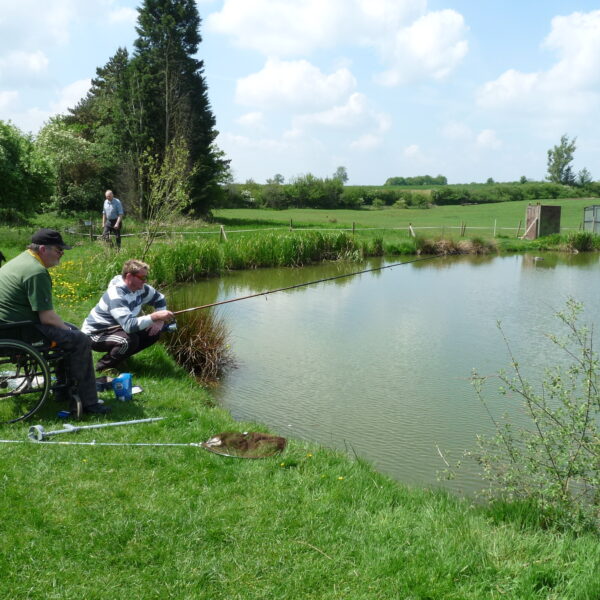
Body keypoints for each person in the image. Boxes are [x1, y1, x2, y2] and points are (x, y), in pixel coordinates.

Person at [0, 229, 109, 415]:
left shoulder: (20, 260)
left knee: (70, 332)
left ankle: (63, 389)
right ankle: (89, 403)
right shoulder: (36, 272)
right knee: (80, 339)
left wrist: (68, 329)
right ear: (43, 249)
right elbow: (47, 318)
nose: (62, 254)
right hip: (19, 331)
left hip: (8, 326)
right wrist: (69, 331)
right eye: (59, 250)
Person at [82, 259, 174, 372]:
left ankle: (120, 357)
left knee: (153, 332)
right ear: (130, 276)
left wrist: (159, 322)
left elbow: (160, 299)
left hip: (117, 328)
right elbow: (129, 326)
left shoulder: (141, 289)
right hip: (96, 333)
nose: (145, 281)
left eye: (146, 277)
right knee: (128, 341)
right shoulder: (116, 295)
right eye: (142, 278)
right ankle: (103, 366)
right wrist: (155, 316)